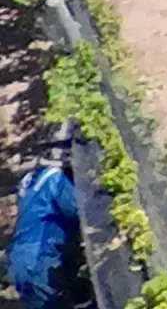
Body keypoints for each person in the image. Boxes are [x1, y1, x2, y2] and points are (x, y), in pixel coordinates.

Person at [5, 130, 81, 309]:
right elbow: (80, 211)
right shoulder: (55, 180)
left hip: (23, 258)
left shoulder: (31, 178)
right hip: (39, 261)